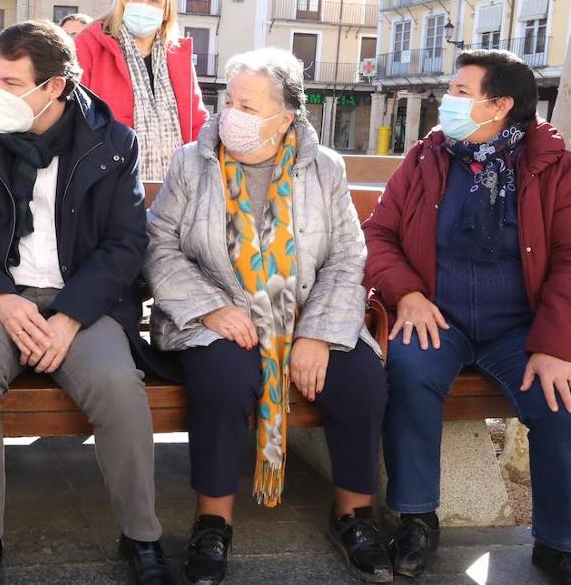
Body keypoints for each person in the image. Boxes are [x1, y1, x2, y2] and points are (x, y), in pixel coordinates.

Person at [0, 20, 176, 585]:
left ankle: (142, 537)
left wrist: (70, 317)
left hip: (81, 303)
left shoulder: (114, 144)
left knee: (117, 383)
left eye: (13, 82)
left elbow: (124, 243)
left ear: (55, 87)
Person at [362, 49, 571, 585]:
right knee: (405, 370)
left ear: (499, 105)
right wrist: (405, 294)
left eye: (459, 92)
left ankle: (562, 547)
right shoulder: (426, 158)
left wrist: (554, 346)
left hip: (522, 328)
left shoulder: (558, 169)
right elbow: (378, 233)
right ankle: (416, 519)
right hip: (436, 316)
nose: (446, 102)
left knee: (569, 398)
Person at [145, 48, 390, 584]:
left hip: (306, 315)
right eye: (227, 100)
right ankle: (213, 522)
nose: (228, 113)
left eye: (247, 105)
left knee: (362, 381)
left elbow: (348, 256)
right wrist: (209, 308)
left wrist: (319, 334)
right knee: (225, 379)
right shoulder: (192, 162)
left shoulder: (323, 168)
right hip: (215, 318)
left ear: (285, 119)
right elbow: (159, 247)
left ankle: (354, 514)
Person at [74, 0, 207, 181]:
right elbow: (75, 115)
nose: (143, 5)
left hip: (174, 189)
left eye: (154, 0)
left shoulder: (176, 55)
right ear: (123, 2)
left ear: (166, 11)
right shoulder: (90, 45)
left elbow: (196, 120)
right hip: (109, 182)